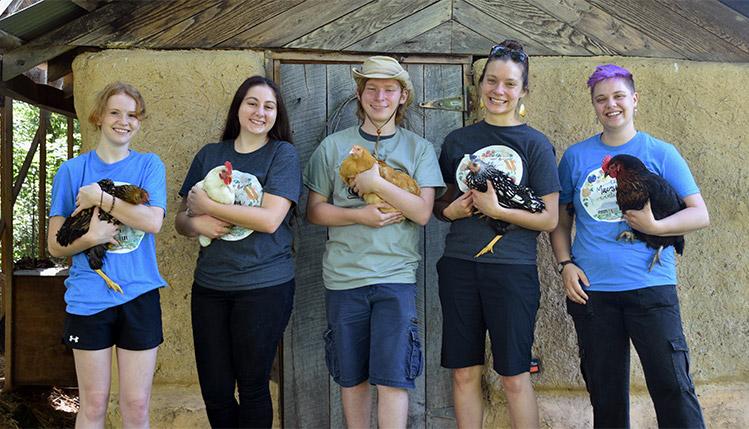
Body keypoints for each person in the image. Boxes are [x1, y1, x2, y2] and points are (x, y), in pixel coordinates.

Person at [549, 64, 709, 428]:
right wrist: (565, 264)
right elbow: (560, 219)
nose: (611, 105)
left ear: (634, 100)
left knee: (673, 388)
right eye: (601, 99)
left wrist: (656, 225)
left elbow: (699, 215)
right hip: (593, 292)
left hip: (652, 288)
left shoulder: (662, 152)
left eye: (619, 96)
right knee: (606, 395)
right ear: (593, 105)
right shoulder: (575, 156)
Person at [303, 56, 445, 428]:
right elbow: (315, 212)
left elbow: (423, 212)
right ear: (359, 94)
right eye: (372, 89)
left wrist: (377, 184)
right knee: (353, 379)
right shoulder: (333, 148)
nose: (379, 97)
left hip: (395, 279)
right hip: (344, 279)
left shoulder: (419, 150)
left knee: (394, 379)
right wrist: (358, 214)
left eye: (389, 89)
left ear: (403, 97)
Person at [433, 40, 560, 428]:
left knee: (513, 376)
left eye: (509, 83)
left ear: (523, 90)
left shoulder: (535, 145)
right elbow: (440, 206)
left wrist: (499, 211)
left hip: (512, 271)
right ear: (480, 85)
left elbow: (550, 219)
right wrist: (448, 211)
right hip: (459, 266)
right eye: (491, 81)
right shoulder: (458, 142)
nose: (498, 91)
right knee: (463, 372)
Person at [175, 75, 301, 428]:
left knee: (252, 387)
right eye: (252, 103)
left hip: (264, 287)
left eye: (269, 106)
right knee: (215, 391)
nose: (259, 112)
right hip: (210, 287)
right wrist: (195, 223)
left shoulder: (282, 154)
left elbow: (271, 219)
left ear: (277, 115)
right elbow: (180, 220)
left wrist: (207, 208)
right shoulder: (210, 155)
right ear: (238, 107)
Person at [48, 82, 167, 428]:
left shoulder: (149, 165)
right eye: (115, 112)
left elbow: (153, 222)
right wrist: (92, 237)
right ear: (99, 117)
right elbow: (55, 246)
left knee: (135, 406)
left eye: (132, 115)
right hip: (88, 297)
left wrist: (101, 198)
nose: (123, 121)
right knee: (94, 404)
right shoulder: (71, 171)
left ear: (139, 122)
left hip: (139, 294)